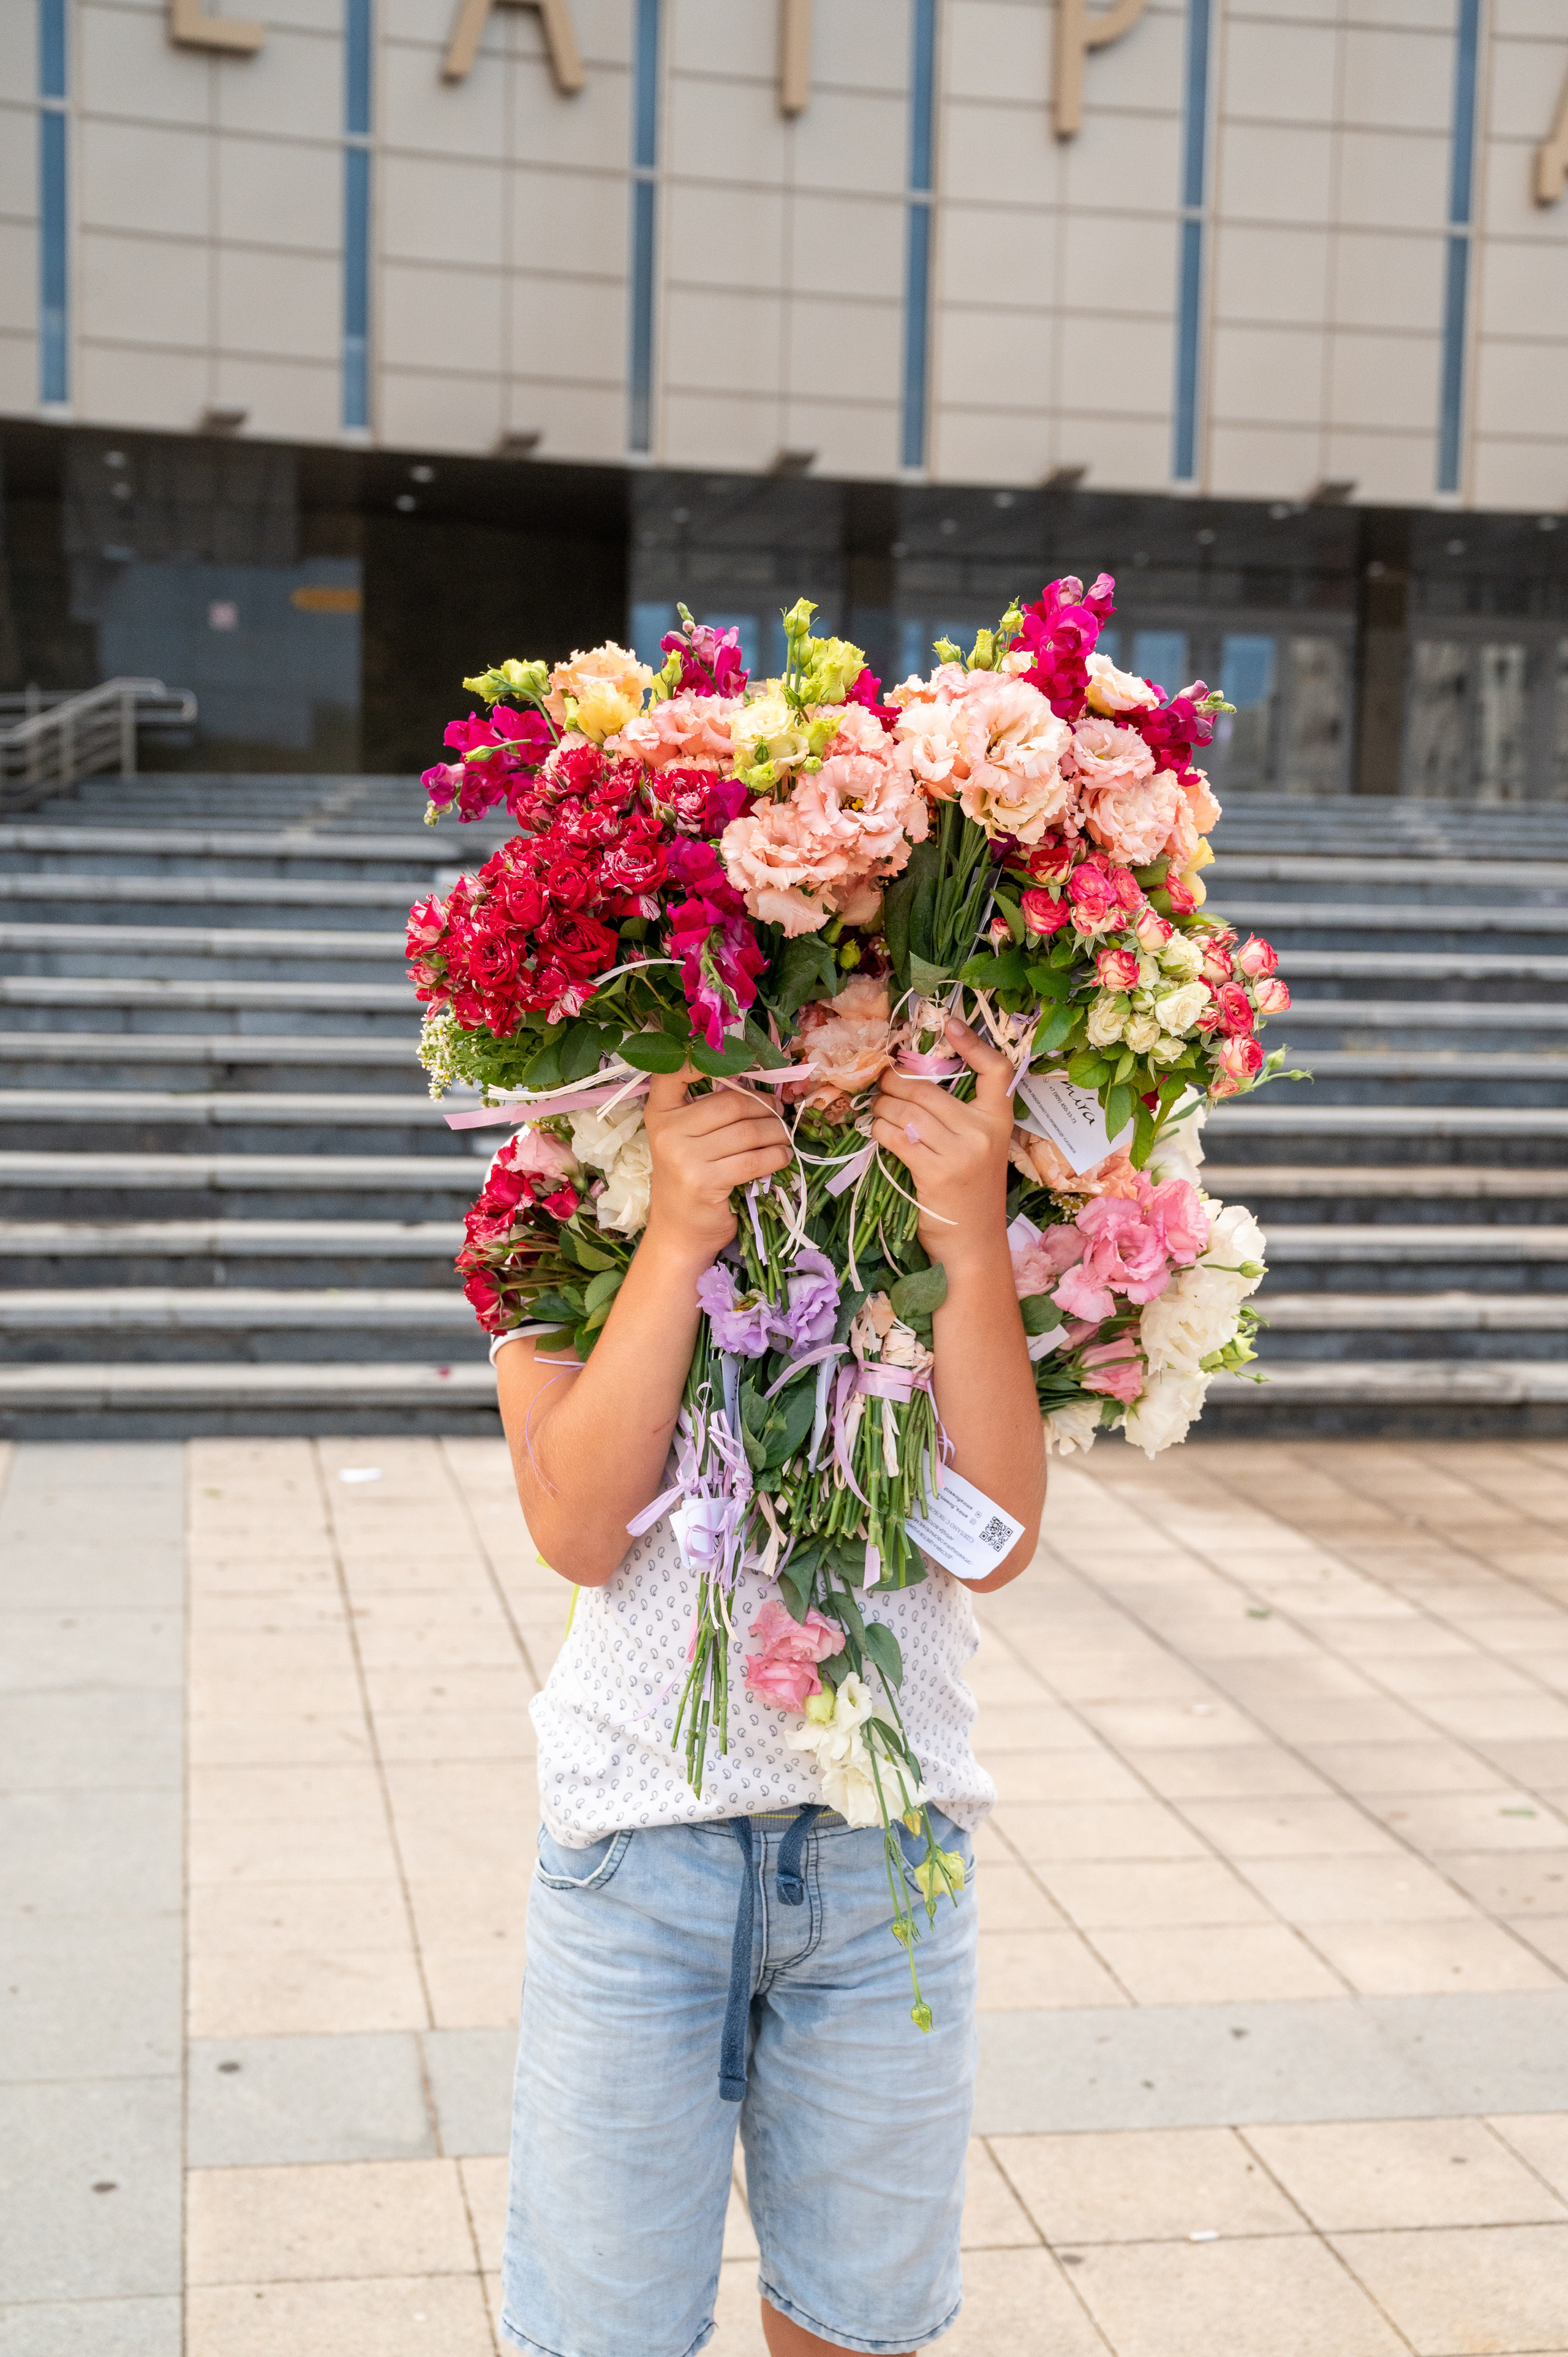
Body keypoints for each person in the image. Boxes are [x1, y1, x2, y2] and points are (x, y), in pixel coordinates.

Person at [492, 1016, 1047, 2357]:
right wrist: (678, 1230)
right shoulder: (569, 1155)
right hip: (639, 1853)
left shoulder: (949, 1152)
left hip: (882, 1863)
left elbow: (996, 1533)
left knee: (856, 2329)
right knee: (600, 2334)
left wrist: (968, 1238)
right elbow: (575, 1526)